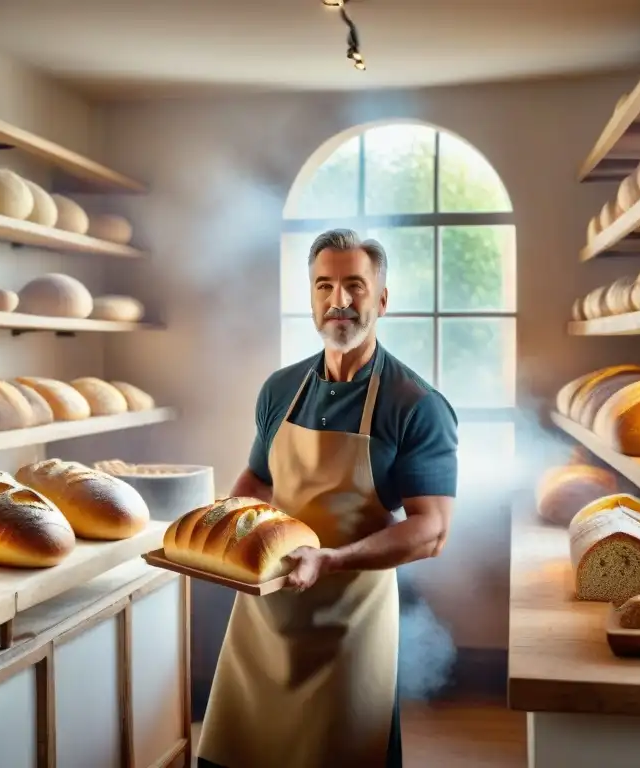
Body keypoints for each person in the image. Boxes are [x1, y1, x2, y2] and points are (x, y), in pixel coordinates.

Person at [196, 228, 459, 768]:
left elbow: (432, 530)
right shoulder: (280, 389)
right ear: (311, 298)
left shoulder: (416, 404)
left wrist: (333, 559)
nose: (339, 300)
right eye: (324, 286)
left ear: (381, 300)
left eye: (355, 286)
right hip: (265, 616)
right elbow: (256, 480)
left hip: (349, 625)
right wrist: (222, 531)